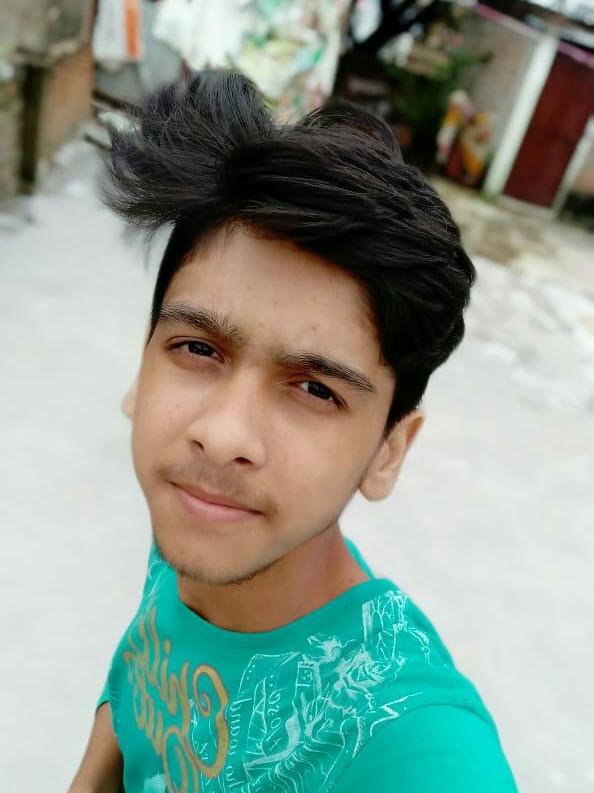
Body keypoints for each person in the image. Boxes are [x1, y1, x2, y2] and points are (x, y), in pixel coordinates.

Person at [68, 69, 517, 793]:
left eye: (315, 389)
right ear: (141, 367)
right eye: (198, 348)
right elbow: (138, 682)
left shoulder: (413, 742)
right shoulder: (195, 528)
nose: (222, 436)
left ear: (389, 451)